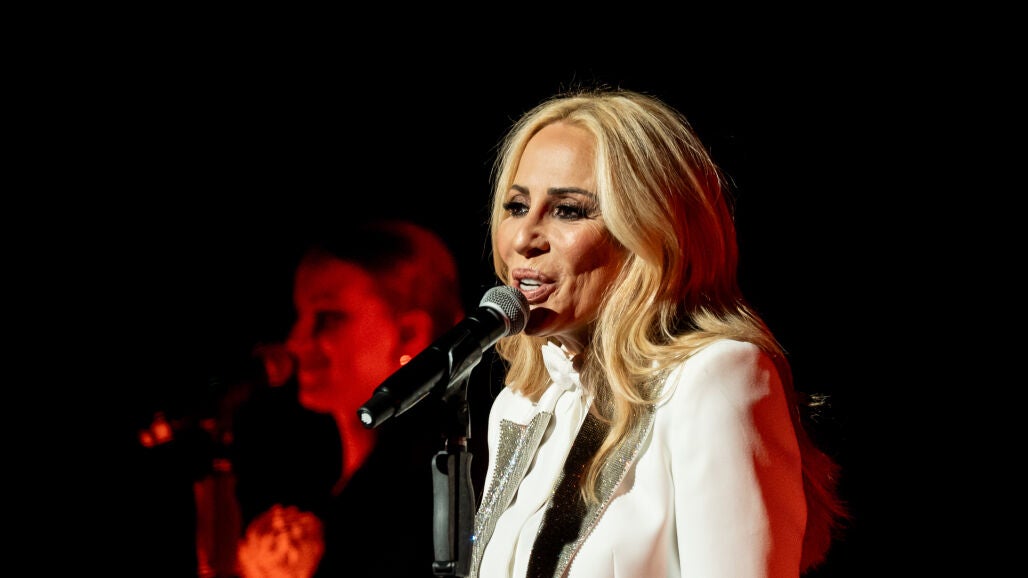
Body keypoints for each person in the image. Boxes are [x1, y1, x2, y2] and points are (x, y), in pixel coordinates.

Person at [469, 88, 849, 577]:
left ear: (651, 231)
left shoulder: (715, 378)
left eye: (568, 210)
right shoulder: (522, 404)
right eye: (517, 206)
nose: (523, 238)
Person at [233, 219, 468, 577]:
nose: (296, 342)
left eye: (327, 317)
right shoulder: (320, 482)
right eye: (301, 316)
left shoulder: (430, 493)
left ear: (409, 335)